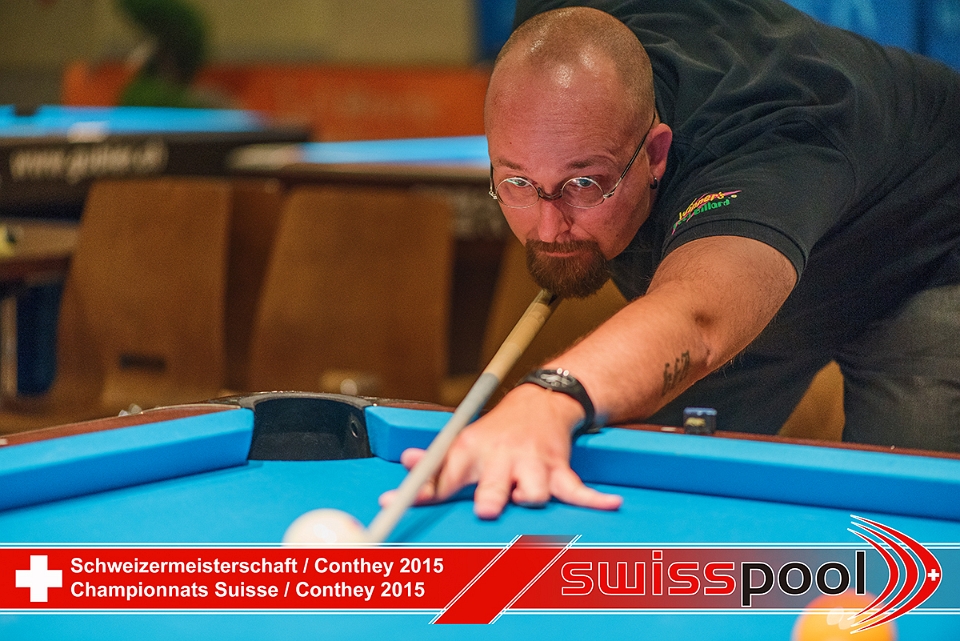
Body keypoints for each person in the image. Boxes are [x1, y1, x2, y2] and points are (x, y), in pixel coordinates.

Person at [385, 0, 960, 519]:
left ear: (655, 153)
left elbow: (699, 320)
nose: (548, 227)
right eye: (518, 182)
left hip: (923, 251)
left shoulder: (768, 138)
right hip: (757, 269)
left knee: (907, 526)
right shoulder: (552, 31)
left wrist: (550, 394)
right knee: (650, 489)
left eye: (584, 183)